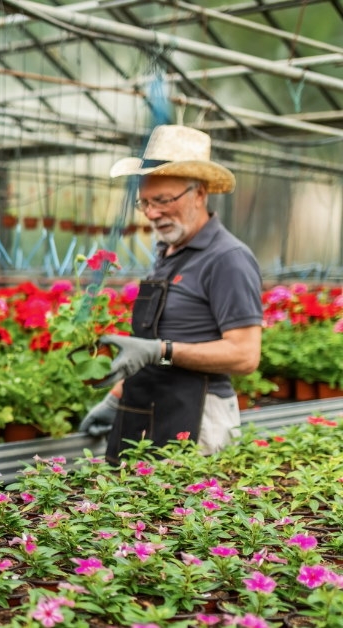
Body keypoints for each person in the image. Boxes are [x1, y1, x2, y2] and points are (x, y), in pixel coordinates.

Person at [78, 125, 262, 464]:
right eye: (145, 203)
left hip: (197, 415)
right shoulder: (169, 252)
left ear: (200, 193)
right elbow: (159, 336)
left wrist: (159, 351)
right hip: (148, 406)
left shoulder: (226, 258)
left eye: (162, 200)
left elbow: (245, 355)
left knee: (181, 515)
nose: (151, 213)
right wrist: (116, 398)